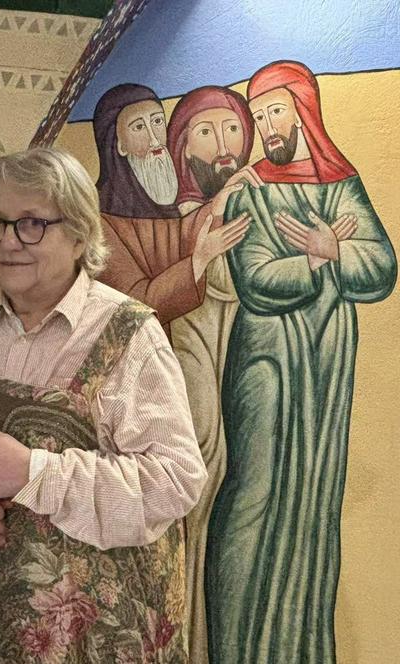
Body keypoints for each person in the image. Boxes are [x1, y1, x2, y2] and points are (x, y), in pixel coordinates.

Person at [0, 148, 207, 662]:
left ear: (81, 234)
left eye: (32, 224)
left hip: (94, 645)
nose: (8, 242)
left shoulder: (129, 334)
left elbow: (176, 481)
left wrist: (35, 473)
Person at [205, 61, 397, 663]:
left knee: (314, 501)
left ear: (303, 110)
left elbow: (382, 268)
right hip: (266, 361)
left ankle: (299, 651)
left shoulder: (342, 182)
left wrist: (337, 249)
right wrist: (317, 263)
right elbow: (257, 279)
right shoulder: (251, 188)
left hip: (326, 365)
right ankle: (235, 650)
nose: (267, 127)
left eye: (275, 112)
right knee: (255, 493)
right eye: (258, 116)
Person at [165, 85, 260, 664]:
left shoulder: (238, 197)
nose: (223, 145)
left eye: (231, 129)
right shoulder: (184, 212)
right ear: (182, 147)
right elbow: (206, 274)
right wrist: (222, 201)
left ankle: (197, 640)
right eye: (206, 131)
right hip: (188, 349)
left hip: (224, 350)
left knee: (216, 470)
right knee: (194, 469)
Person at [92, 84, 250, 343]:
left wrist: (217, 205)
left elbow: (180, 237)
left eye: (157, 122)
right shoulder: (100, 222)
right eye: (139, 127)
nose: (155, 140)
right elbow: (135, 306)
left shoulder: (160, 200)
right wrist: (200, 259)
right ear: (118, 145)